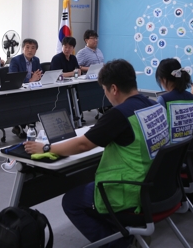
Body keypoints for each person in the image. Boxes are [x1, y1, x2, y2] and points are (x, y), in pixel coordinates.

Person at [24, 59, 166, 247]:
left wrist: (46, 148)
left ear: (114, 88)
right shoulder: (155, 104)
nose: (106, 96)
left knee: (71, 202)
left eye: (105, 91)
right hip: (156, 185)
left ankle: (118, 244)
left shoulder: (120, 114)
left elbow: (83, 145)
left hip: (130, 190)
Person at [155, 58, 193, 142]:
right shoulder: (192, 98)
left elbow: (158, 131)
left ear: (163, 79)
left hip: (171, 150)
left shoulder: (163, 99)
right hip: (188, 148)